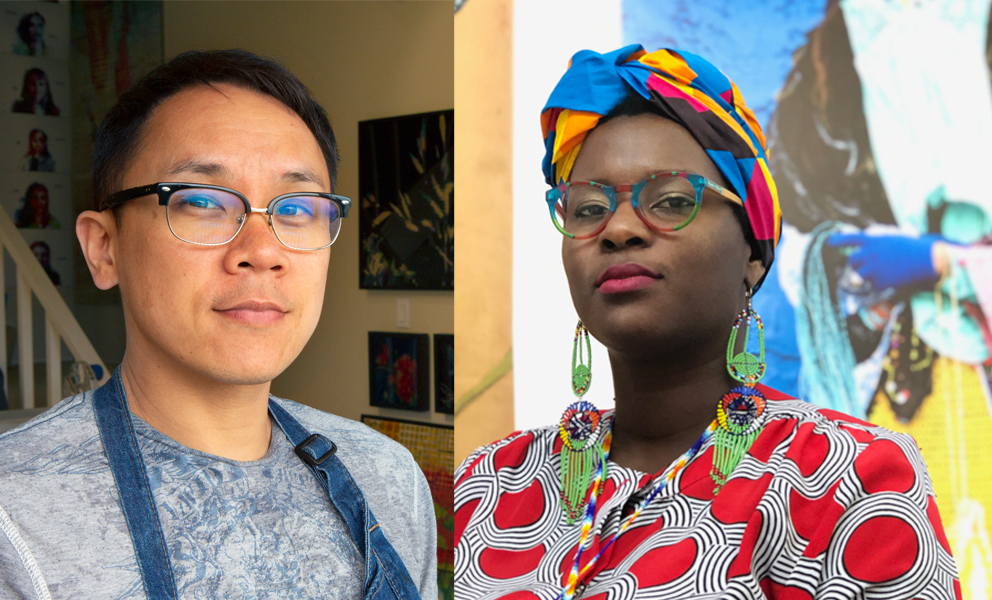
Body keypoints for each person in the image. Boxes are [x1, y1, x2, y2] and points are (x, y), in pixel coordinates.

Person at [454, 45, 960, 599]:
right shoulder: (491, 480)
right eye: (588, 209)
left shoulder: (850, 480)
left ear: (752, 252)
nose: (619, 229)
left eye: (670, 201)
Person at [0, 49, 436, 600]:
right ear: (104, 248)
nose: (262, 251)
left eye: (298, 208)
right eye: (203, 201)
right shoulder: (17, 512)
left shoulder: (388, 478)